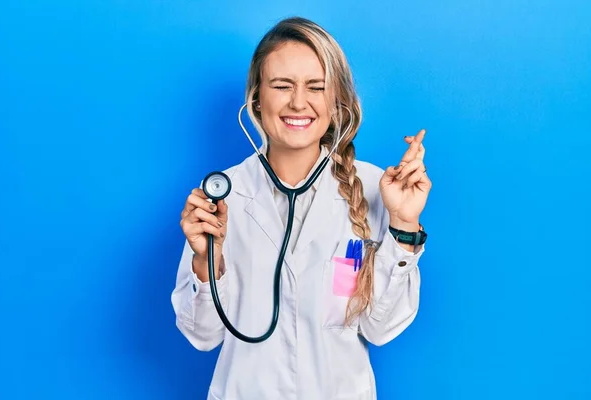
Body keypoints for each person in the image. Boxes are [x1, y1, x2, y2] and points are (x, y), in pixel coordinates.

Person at [171, 16, 432, 400]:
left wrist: (404, 225)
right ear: (257, 99)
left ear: (336, 99)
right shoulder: (222, 198)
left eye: (316, 87)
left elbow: (382, 328)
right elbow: (202, 335)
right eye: (282, 86)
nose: (298, 102)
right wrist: (206, 262)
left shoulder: (378, 189)